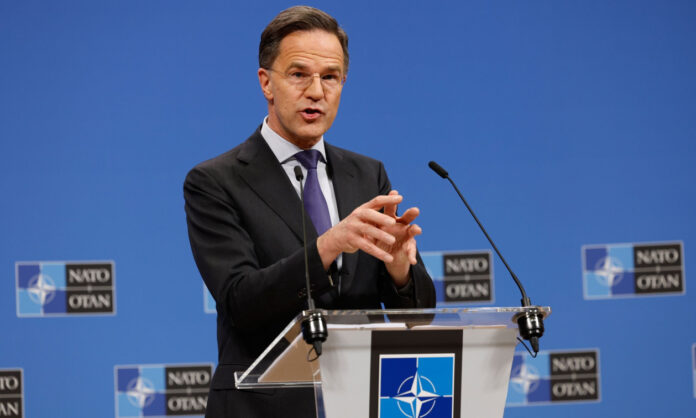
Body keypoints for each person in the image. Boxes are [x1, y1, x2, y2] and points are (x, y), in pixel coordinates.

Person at [184, 6, 436, 417]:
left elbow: (418, 318)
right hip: (263, 409)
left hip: (361, 401)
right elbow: (240, 301)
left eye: (330, 77)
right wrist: (328, 245)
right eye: (299, 74)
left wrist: (399, 272)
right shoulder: (216, 181)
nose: (316, 91)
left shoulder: (367, 174)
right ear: (267, 82)